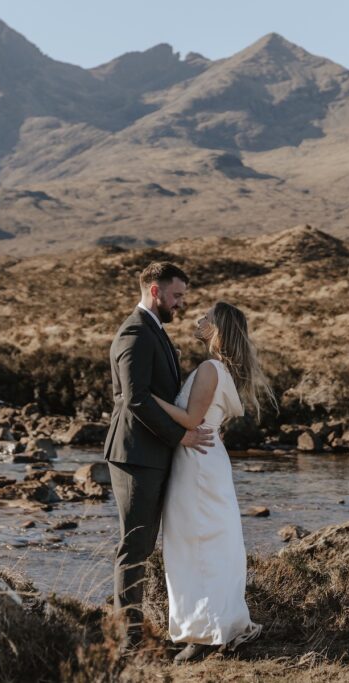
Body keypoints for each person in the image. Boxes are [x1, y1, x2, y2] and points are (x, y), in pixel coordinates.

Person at [152, 301, 275, 663]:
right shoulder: (218, 369)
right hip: (202, 461)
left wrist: (147, 398)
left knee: (197, 545)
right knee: (204, 544)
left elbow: (191, 419)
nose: (198, 319)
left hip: (198, 464)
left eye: (205, 317)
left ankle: (205, 632)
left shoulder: (210, 368)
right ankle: (214, 624)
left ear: (217, 328)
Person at [104, 262, 214, 651]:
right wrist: (180, 436)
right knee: (134, 546)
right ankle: (128, 640)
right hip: (135, 454)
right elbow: (134, 400)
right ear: (155, 291)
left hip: (151, 452)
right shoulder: (135, 333)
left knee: (145, 545)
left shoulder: (156, 332)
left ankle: (140, 630)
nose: (181, 303)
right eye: (177, 295)